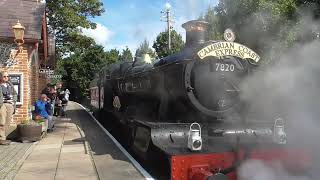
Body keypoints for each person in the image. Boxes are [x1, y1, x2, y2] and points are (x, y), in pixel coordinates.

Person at [0, 71, 17, 145]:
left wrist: (14, 103)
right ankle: (1, 138)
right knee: (2, 122)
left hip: (10, 104)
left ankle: (4, 137)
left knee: (8, 122)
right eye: (4, 76)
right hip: (2, 105)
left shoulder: (10, 84)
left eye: (7, 76)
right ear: (0, 77)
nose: (6, 78)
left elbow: (15, 93)